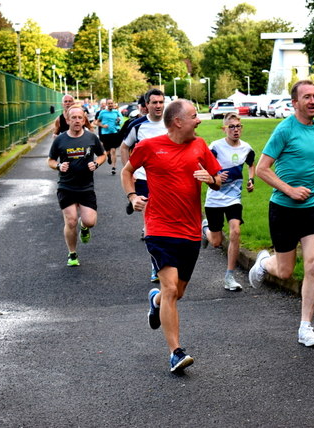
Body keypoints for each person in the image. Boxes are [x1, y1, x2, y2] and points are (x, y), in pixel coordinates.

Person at [249, 80, 314, 347]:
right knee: (285, 272)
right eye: (306, 97)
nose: (313, 101)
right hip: (283, 210)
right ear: (294, 103)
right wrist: (290, 190)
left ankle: (305, 328)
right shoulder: (284, 129)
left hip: (311, 210)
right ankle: (264, 263)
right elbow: (262, 169)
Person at [120, 99, 221, 373]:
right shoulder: (149, 147)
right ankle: (175, 353)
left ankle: (155, 300)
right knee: (170, 288)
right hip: (159, 228)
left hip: (189, 230)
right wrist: (132, 196)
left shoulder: (199, 145)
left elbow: (219, 175)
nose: (198, 120)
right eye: (193, 116)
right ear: (178, 121)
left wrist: (211, 179)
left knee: (178, 292)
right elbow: (127, 170)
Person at [201, 112, 255, 291]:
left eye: (238, 126)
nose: (235, 130)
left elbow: (251, 164)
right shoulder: (216, 146)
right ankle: (205, 228)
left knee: (235, 231)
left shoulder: (246, 148)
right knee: (216, 242)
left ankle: (229, 276)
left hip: (233, 198)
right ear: (225, 129)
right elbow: (202, 164)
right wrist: (214, 175)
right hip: (215, 198)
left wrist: (251, 180)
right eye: (231, 127)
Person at [47, 104, 106, 267]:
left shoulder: (91, 137)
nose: (77, 120)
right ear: (67, 120)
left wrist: (96, 163)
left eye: (80, 117)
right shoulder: (60, 140)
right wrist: (58, 166)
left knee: (89, 221)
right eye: (74, 117)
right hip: (66, 186)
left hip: (86, 187)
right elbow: (50, 160)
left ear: (84, 119)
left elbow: (102, 155)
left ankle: (84, 227)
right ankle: (72, 254)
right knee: (71, 220)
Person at [120, 89, 168, 282]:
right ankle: (155, 265)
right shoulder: (138, 125)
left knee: (166, 222)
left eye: (161, 102)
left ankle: (168, 260)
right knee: (151, 223)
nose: (158, 106)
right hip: (143, 179)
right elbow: (124, 147)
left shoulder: (171, 123)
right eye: (154, 102)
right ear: (146, 105)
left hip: (167, 180)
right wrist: (128, 172)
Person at [94, 98, 123, 175]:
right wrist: (103, 125)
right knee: (107, 151)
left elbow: (121, 121)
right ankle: (108, 156)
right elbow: (97, 122)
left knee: (113, 150)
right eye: (109, 103)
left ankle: (113, 167)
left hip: (114, 133)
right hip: (105, 134)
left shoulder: (116, 112)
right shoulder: (102, 113)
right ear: (106, 104)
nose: (110, 105)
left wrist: (119, 120)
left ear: (113, 104)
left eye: (111, 103)